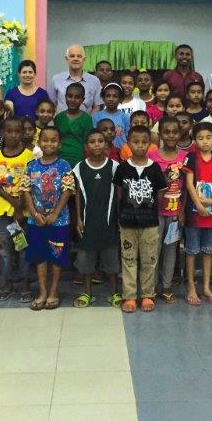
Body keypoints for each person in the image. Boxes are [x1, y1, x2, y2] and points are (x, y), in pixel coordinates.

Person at [113, 125, 168, 312]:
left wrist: (150, 209)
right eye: (135, 142)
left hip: (150, 223)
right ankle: (129, 296)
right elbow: (119, 194)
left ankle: (147, 295)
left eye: (144, 142)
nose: (140, 146)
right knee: (128, 259)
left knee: (149, 260)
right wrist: (121, 216)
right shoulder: (122, 168)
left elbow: (160, 194)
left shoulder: (155, 169)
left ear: (150, 144)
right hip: (127, 222)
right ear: (128, 143)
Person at [21, 127, 76, 310]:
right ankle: (42, 291)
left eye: (53, 140)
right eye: (45, 140)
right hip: (36, 221)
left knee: (56, 256)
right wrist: (34, 214)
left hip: (59, 221)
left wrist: (54, 214)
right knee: (39, 256)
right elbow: (26, 192)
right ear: (39, 142)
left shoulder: (64, 166)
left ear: (59, 144)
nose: (49, 143)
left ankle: (53, 291)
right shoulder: (32, 166)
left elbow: (67, 191)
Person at [72, 129, 121, 308]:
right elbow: (77, 194)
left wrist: (118, 219)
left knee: (111, 262)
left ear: (107, 145)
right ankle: (87, 293)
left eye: (100, 141)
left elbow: (118, 195)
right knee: (86, 262)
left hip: (108, 222)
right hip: (87, 222)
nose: (97, 144)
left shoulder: (114, 166)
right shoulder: (80, 167)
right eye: (92, 141)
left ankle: (114, 293)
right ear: (86, 146)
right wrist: (78, 218)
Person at [183, 122, 212, 306]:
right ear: (195, 139)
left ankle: (207, 287)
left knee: (208, 251)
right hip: (194, 214)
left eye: (208, 138)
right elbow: (188, 184)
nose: (204, 142)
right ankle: (191, 288)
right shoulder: (190, 158)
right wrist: (198, 204)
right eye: (200, 138)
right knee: (192, 251)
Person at [0, 118, 36, 301]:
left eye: (17, 131)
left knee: (22, 248)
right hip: (3, 212)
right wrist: (13, 202)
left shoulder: (28, 156)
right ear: (2, 132)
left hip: (22, 213)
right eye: (8, 131)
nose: (13, 135)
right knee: (4, 250)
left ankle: (25, 284)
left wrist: (21, 207)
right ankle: (7, 283)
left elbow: (30, 183)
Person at [150, 116, 188, 303]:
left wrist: (182, 211)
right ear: (160, 134)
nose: (171, 135)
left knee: (171, 250)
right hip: (155, 212)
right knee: (153, 250)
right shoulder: (152, 157)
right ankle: (151, 286)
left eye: (175, 132)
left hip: (174, 213)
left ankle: (166, 287)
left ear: (180, 134)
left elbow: (188, 187)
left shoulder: (184, 158)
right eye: (167, 132)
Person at [50, 44, 102, 113]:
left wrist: (88, 121)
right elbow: (51, 105)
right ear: (66, 59)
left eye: (79, 56)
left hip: (86, 123)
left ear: (84, 59)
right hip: (62, 122)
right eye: (72, 56)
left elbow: (97, 106)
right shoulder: (56, 80)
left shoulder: (94, 81)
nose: (76, 59)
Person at [54, 83, 94, 168]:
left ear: (82, 100)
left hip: (78, 161)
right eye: (70, 96)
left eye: (77, 97)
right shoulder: (59, 118)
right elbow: (55, 141)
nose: (72, 100)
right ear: (65, 97)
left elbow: (88, 144)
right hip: (59, 161)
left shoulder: (87, 119)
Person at [92, 83, 131, 147]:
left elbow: (128, 137)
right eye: (108, 96)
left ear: (120, 99)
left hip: (122, 153)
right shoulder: (96, 117)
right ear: (103, 98)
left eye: (115, 96)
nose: (111, 99)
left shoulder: (125, 117)